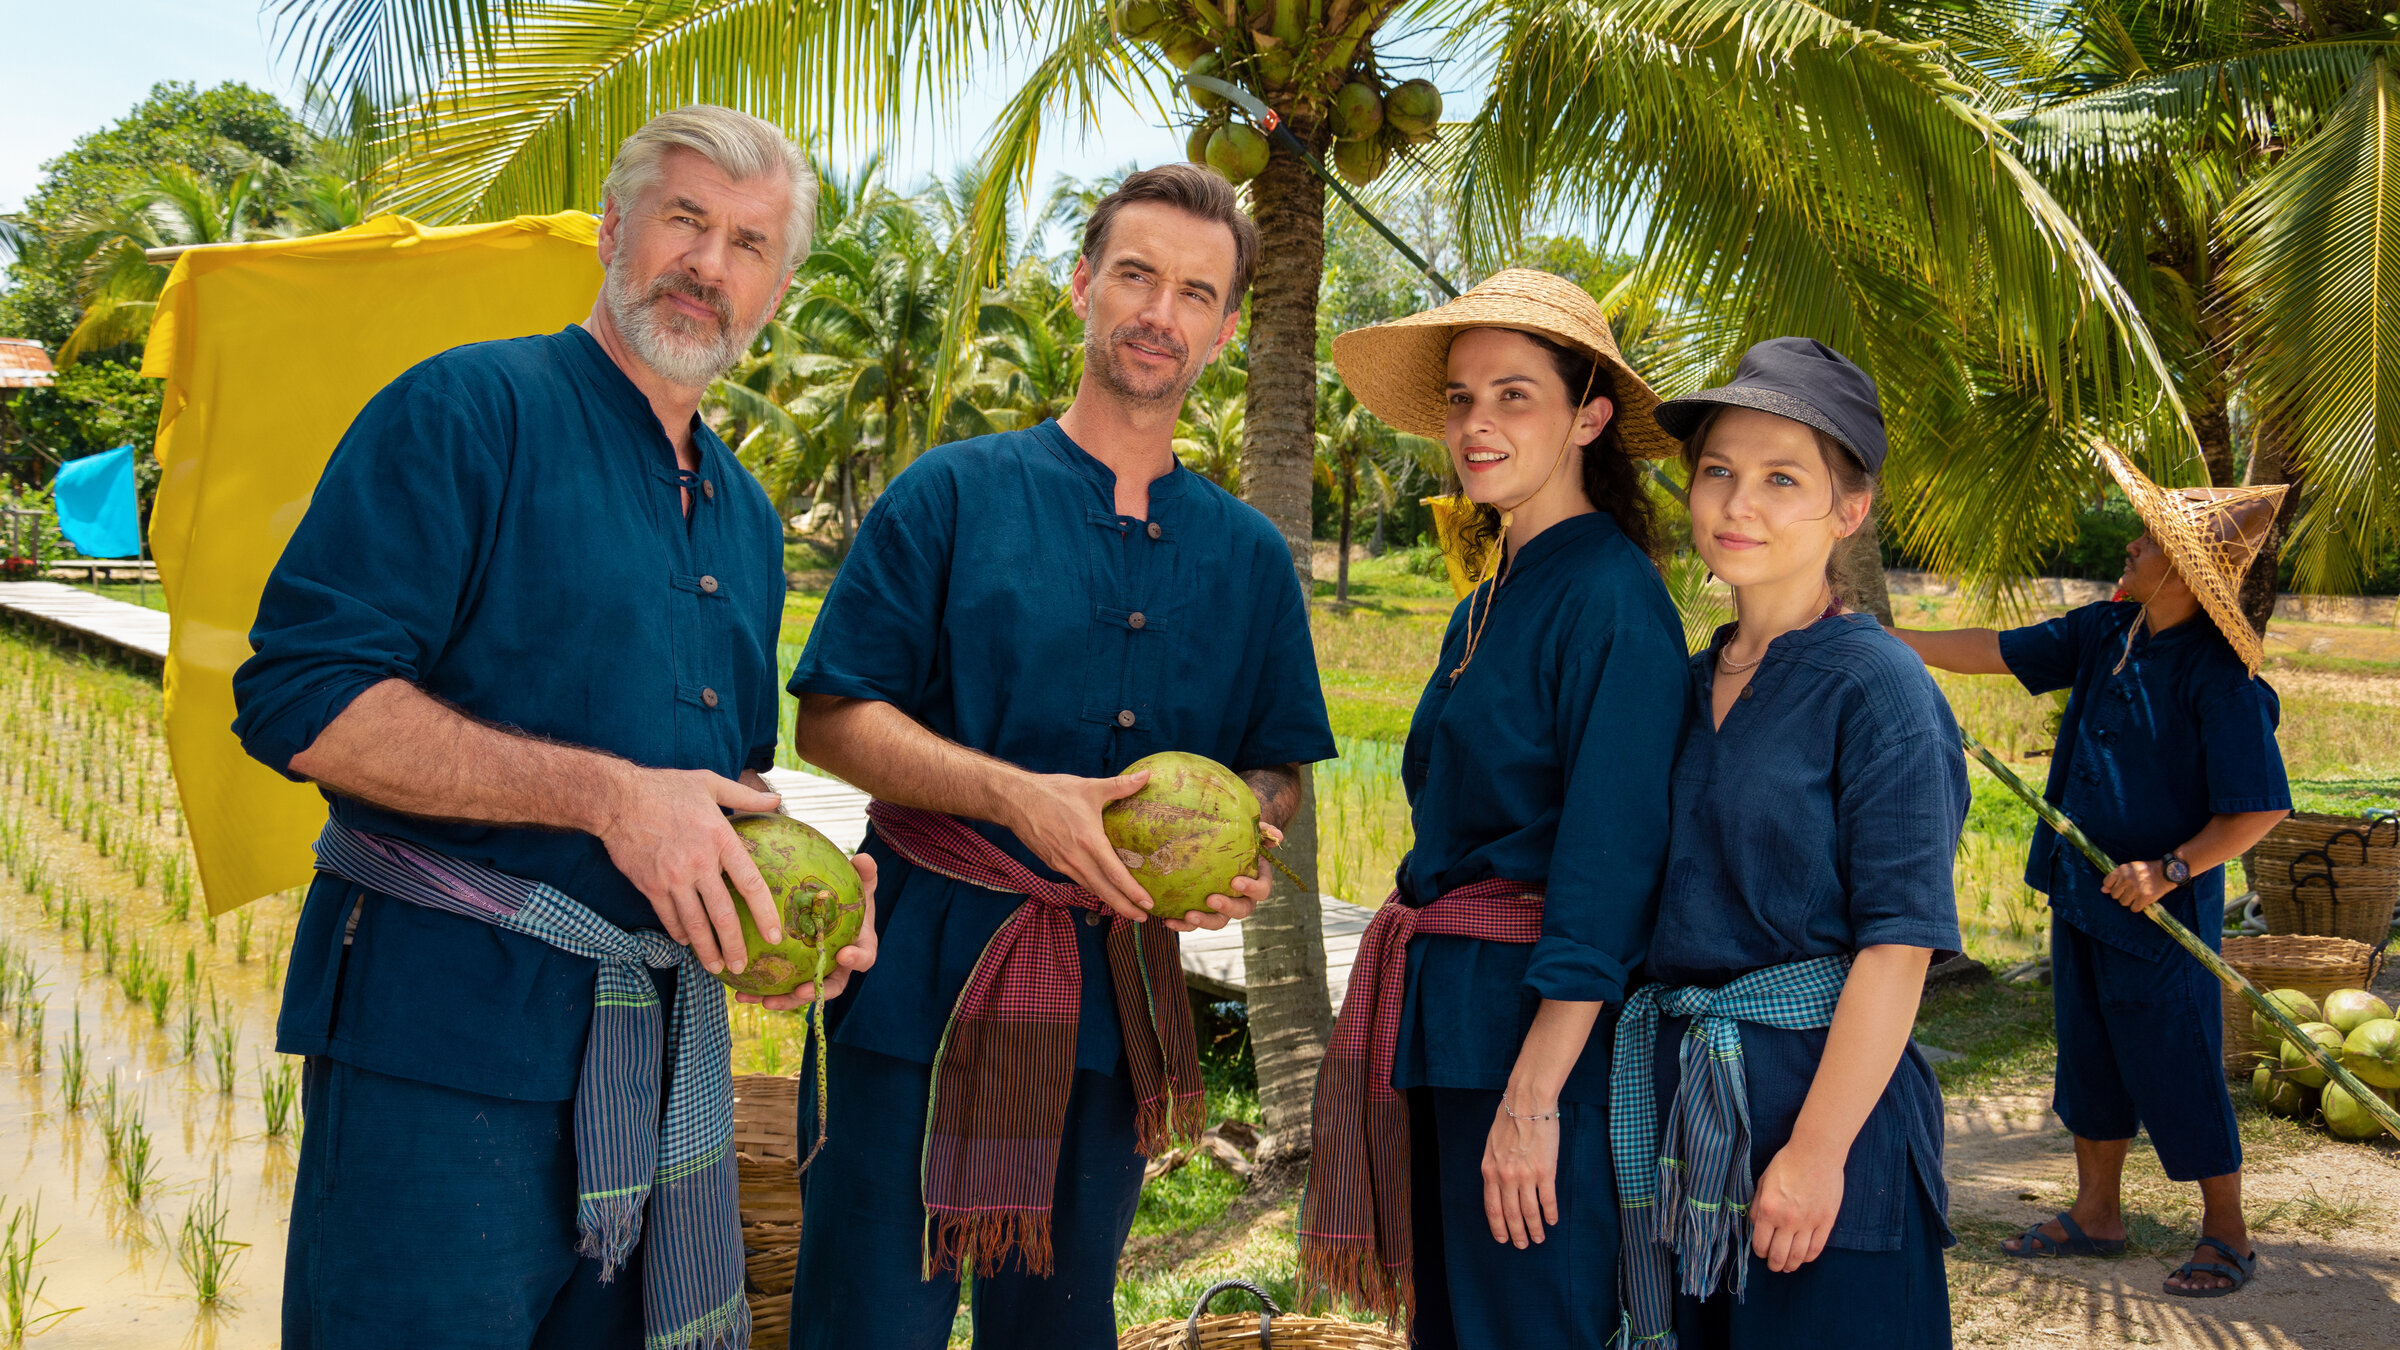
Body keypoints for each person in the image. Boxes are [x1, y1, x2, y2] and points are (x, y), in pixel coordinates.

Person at [231, 106, 877, 1350]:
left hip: (642, 1068)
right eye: (685, 220)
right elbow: (301, 696)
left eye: (748, 244)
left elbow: (713, 783)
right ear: (613, 231)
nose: (708, 265)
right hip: (441, 1051)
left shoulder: (741, 515)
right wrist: (608, 796)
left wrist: (787, 906)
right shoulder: (466, 413)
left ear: (778, 289)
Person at [780, 163, 1335, 1350]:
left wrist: (1239, 831)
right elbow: (827, 717)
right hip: (915, 985)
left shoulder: (1246, 558)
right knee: (862, 1323)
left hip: (1112, 1005)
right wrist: (1015, 799)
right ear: (1083, 285)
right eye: (1134, 274)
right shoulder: (953, 495)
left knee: (1060, 1329)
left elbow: (1280, 762)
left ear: (1226, 329)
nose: (1159, 311)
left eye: (1195, 292)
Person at [1299, 270, 1688, 1348]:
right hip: (1450, 1018)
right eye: (1464, 399)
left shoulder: (1611, 598)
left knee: (1532, 1326)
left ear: (1589, 417)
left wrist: (1534, 1098)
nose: (1478, 425)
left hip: (1535, 1039)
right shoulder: (1486, 601)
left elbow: (1610, 871)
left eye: (1516, 395)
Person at [1613, 339, 1968, 1349]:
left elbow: (1897, 948)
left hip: (1825, 1114)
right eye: (1718, 471)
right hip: (1686, 1115)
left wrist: (1816, 1154)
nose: (1739, 505)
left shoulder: (1880, 687)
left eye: (1782, 479)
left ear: (1848, 510)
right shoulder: (1678, 688)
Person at [1889, 443, 2291, 1299]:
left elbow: (2258, 810)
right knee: (2092, 1057)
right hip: (2081, 893)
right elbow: (1996, 647)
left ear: (2182, 571)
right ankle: (2097, 1214)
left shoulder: (2222, 678)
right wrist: (1889, 639)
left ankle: (2228, 1233)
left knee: (2177, 1059)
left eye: (2145, 543)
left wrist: (2171, 869)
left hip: (2159, 916)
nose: (2130, 550)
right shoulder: (2107, 629)